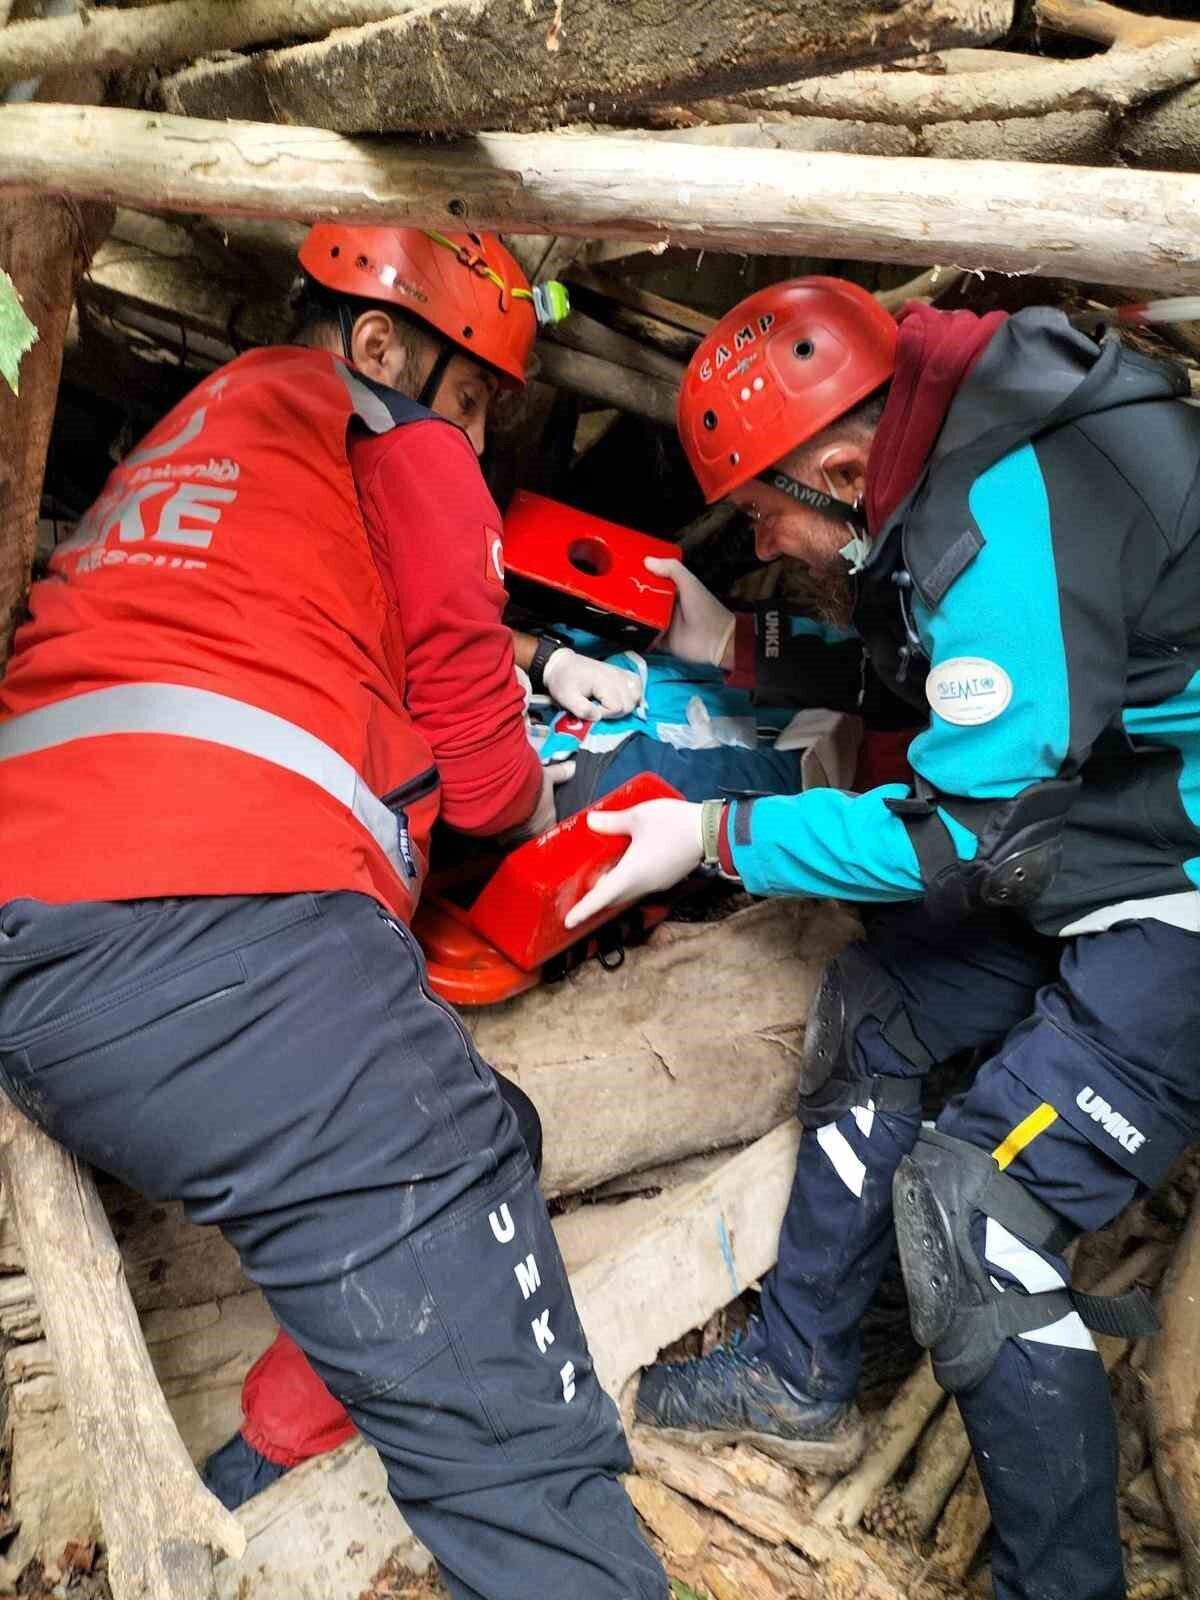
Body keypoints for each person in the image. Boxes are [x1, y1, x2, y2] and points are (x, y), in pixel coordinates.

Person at [0, 224, 665, 1600]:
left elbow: (297, 599)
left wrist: (540, 652)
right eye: (469, 399)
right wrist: (557, 789)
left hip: (41, 935)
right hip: (226, 937)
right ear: (379, 343)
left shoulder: (194, 429)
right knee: (528, 1470)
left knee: (489, 1126)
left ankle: (272, 1451)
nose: (469, 438)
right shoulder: (402, 438)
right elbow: (481, 778)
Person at [564, 275, 1200, 1600]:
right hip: (1112, 818)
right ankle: (801, 1375)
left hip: (1177, 885)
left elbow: (950, 839)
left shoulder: (1009, 503)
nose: (767, 538)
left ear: (845, 469)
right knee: (879, 1004)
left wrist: (716, 834)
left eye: (767, 512)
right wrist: (738, 648)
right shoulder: (957, 439)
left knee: (975, 1215)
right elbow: (936, 663)